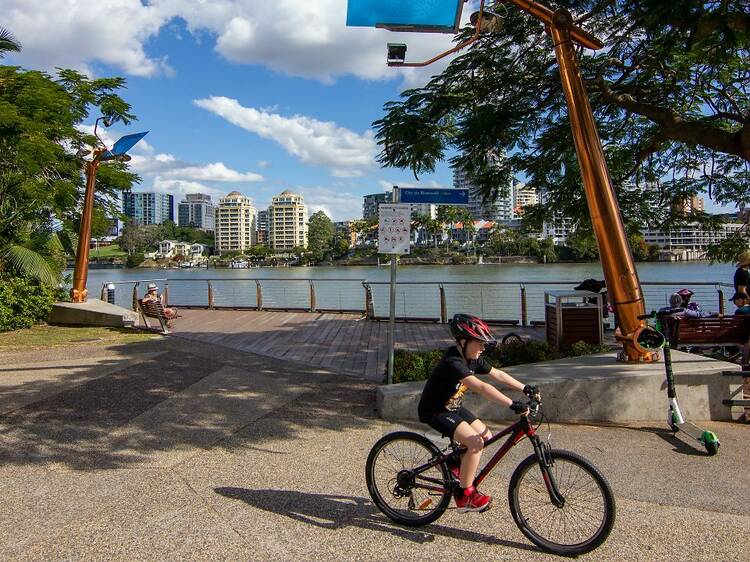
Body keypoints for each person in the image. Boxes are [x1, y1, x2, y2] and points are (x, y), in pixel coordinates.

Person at [417, 313, 540, 513]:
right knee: (475, 443)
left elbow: (497, 374)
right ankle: (465, 496)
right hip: (435, 411)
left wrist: (525, 388)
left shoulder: (473, 358)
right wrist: (511, 404)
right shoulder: (454, 362)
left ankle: (452, 463)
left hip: (452, 407)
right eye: (479, 343)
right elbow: (482, 388)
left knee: (486, 435)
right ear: (463, 341)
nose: (483, 348)